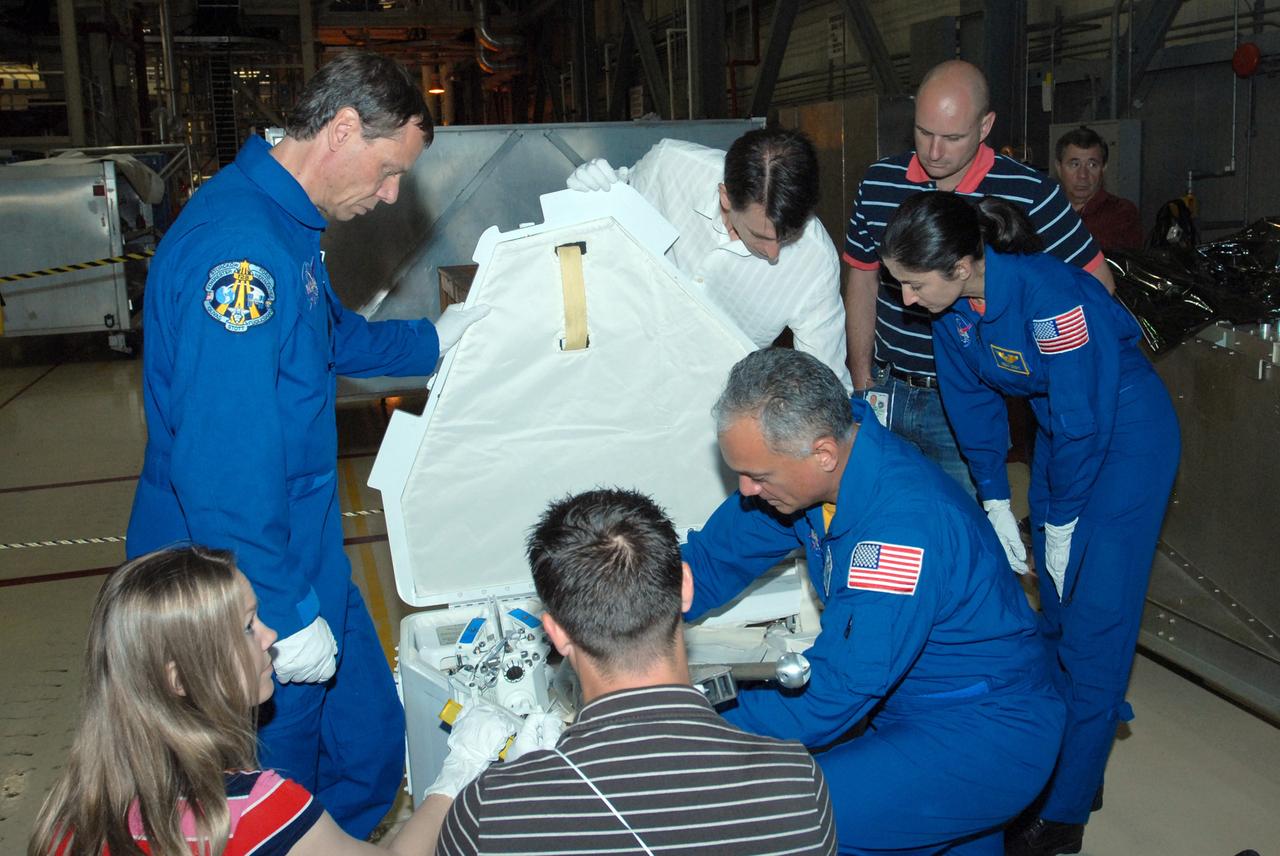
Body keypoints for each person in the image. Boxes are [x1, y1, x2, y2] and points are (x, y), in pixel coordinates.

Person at [124, 51, 489, 838]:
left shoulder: (283, 225)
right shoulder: (242, 255)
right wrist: (283, 617)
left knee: (366, 742)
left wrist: (434, 342)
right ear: (344, 128)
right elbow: (222, 471)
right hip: (239, 586)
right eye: (389, 171)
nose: (392, 195)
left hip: (304, 549)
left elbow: (325, 336)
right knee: (280, 781)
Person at [879, 192, 1180, 856]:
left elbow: (1086, 416)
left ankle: (1065, 816)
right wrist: (992, 494)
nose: (903, 298)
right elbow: (972, 403)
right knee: (1054, 613)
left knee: (1095, 619)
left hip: (1125, 435)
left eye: (914, 282)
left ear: (962, 263)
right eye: (897, 282)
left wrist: (1064, 518)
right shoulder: (954, 311)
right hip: (1063, 436)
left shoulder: (1052, 295)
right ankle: (1078, 755)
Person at [682, 348, 1065, 855]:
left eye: (757, 475)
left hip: (983, 733)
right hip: (910, 708)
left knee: (780, 819)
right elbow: (707, 564)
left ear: (822, 453)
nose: (746, 491)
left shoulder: (899, 532)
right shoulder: (814, 478)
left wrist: (689, 725)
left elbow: (831, 695)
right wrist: (610, 609)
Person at [422, 487, 837, 856]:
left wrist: (472, 776)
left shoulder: (489, 814)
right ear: (687, 588)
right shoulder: (797, 786)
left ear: (556, 634)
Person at [28, 547, 455, 856]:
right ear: (179, 677)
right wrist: (454, 778)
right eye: (249, 626)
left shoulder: (70, 814)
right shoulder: (256, 809)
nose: (270, 636)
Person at [842, 59, 1114, 493]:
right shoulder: (879, 185)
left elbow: (1096, 286)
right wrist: (861, 377)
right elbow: (862, 279)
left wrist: (1034, 371)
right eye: (923, 132)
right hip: (887, 389)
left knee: (969, 533)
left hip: (970, 405)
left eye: (951, 138)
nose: (933, 152)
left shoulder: (1030, 193)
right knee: (892, 520)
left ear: (985, 126)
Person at [567, 128, 852, 391]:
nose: (774, 253)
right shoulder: (670, 168)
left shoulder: (815, 263)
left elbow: (826, 383)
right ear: (725, 197)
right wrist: (591, 197)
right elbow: (610, 224)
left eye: (789, 235)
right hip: (624, 367)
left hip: (715, 399)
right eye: (760, 236)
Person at [1054, 125, 1143, 251]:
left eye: (1092, 165)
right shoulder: (1045, 211)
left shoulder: (1121, 214)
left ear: (1103, 168)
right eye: (1074, 164)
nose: (1083, 175)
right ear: (1059, 167)